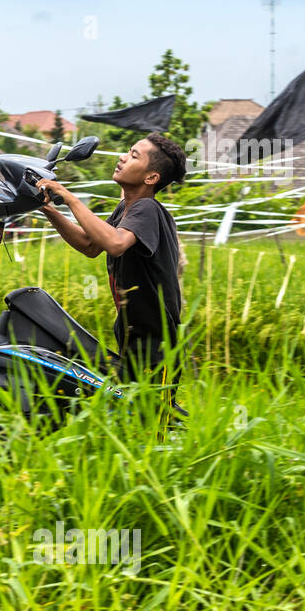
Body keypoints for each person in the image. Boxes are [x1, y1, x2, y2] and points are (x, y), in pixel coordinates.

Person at [35, 133, 187, 411]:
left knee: (152, 429)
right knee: (132, 424)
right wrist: (46, 208)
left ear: (151, 178)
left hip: (157, 350)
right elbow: (91, 244)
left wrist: (69, 198)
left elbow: (115, 244)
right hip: (134, 341)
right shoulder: (126, 209)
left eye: (133, 155)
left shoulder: (148, 208)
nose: (121, 157)